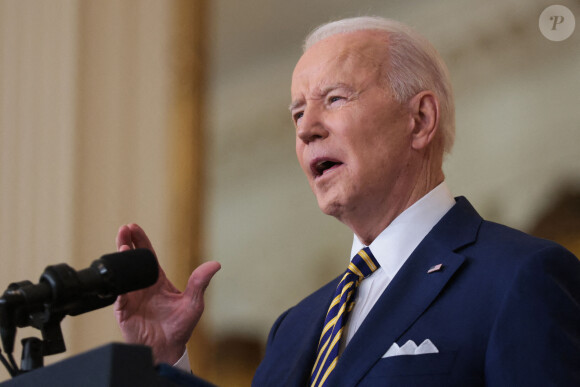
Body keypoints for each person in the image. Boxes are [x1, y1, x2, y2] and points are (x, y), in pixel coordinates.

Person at [115, 16, 580, 386]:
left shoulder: (518, 278)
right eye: (298, 112)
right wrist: (165, 360)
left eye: (334, 99)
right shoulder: (292, 329)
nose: (305, 128)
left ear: (419, 120)